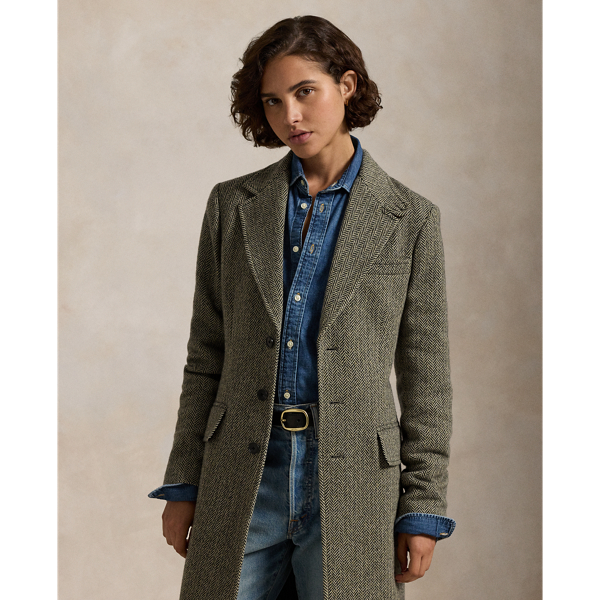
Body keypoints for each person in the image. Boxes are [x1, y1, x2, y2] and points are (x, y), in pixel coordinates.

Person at [149, 15, 455, 600]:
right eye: (272, 100)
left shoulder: (411, 219)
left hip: (355, 479)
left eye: (304, 92)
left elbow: (427, 377)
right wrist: (184, 480)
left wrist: (423, 505)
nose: (289, 115)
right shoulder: (232, 206)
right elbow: (206, 355)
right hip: (242, 472)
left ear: (347, 85)